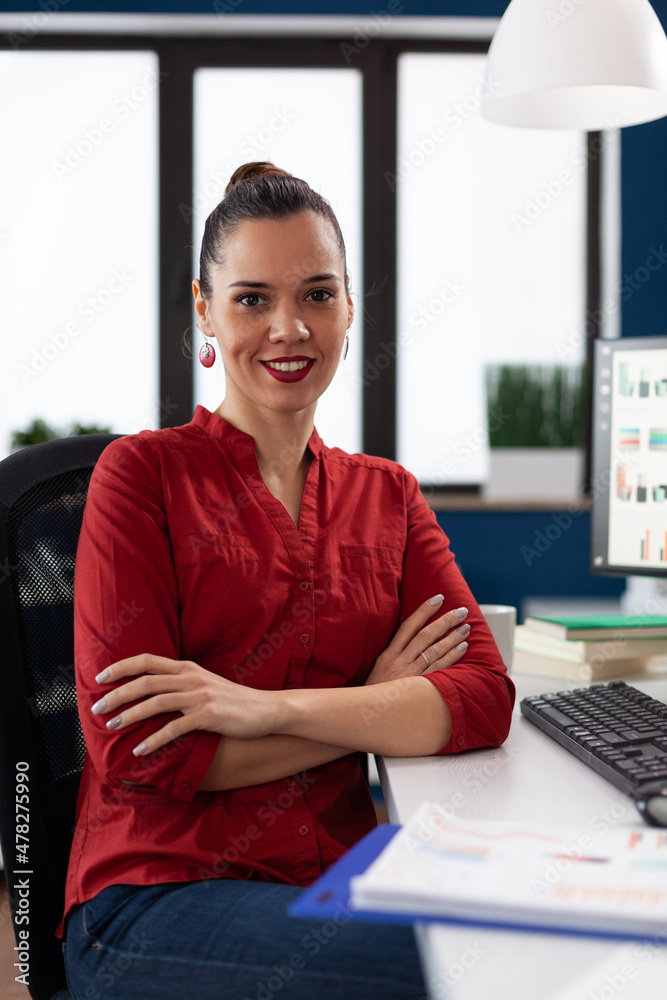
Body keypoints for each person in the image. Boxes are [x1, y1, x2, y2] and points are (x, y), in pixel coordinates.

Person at [57, 161, 515, 1000]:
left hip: (335, 879)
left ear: (348, 308)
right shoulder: (141, 477)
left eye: (315, 294)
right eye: (251, 298)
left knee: (535, 925)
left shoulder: (389, 493)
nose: (288, 328)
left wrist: (268, 709)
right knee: (468, 964)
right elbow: (135, 753)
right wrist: (373, 706)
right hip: (157, 896)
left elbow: (482, 697)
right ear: (204, 310)